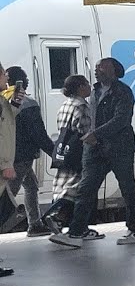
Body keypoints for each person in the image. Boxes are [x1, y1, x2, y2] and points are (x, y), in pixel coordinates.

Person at [50, 58, 135, 248]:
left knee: (127, 189)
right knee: (85, 189)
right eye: (97, 67)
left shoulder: (123, 92)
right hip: (94, 150)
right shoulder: (95, 91)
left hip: (119, 149)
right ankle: (76, 233)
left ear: (114, 70)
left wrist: (95, 134)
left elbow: (121, 119)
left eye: (102, 67)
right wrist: (92, 138)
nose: (96, 69)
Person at [3, 67, 57, 237]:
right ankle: (31, 224)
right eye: (25, 78)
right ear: (21, 81)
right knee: (8, 194)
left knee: (31, 186)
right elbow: (38, 133)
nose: (27, 81)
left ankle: (35, 223)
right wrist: (55, 153)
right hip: (21, 157)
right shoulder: (27, 103)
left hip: (11, 155)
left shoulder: (5, 99)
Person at [41, 75, 97, 237]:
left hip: (64, 149)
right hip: (79, 152)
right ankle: (60, 217)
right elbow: (86, 132)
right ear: (80, 87)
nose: (90, 86)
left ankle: (61, 219)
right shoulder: (82, 107)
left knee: (63, 185)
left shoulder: (65, 105)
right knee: (79, 188)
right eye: (87, 84)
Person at [0, 63, 19, 277]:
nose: (7, 78)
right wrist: (6, 164)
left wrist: (15, 104)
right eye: (4, 74)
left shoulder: (3, 101)